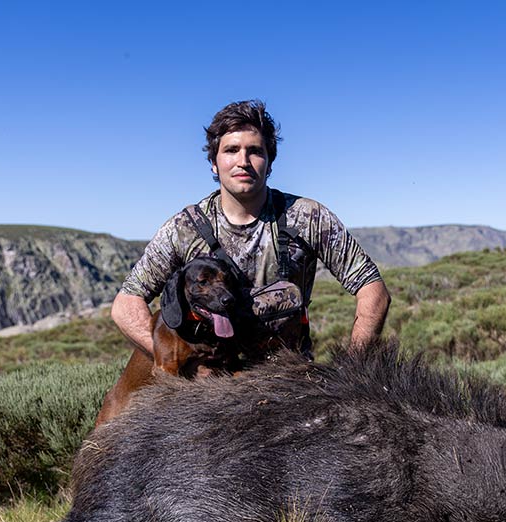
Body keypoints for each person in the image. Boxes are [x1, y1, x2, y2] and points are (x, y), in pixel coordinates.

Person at [110, 99, 391, 361]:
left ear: (269, 163)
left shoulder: (308, 217)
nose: (243, 161)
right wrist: (178, 363)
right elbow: (125, 305)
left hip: (290, 382)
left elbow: (373, 290)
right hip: (211, 387)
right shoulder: (183, 229)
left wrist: (353, 366)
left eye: (255, 151)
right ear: (214, 163)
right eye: (231, 150)